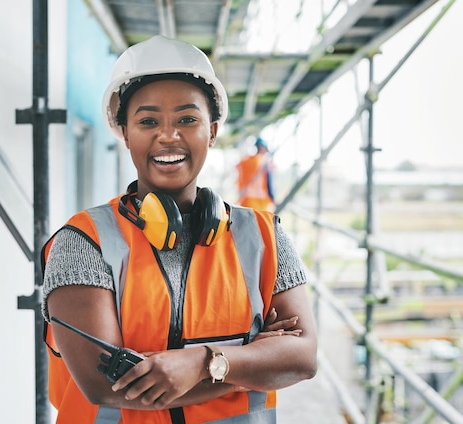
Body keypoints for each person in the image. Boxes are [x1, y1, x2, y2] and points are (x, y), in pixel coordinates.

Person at [41, 35, 317, 423]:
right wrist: (249, 357)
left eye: (187, 119)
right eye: (148, 120)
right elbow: (105, 385)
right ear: (124, 131)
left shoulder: (264, 236)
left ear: (213, 131)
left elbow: (303, 357)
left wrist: (201, 363)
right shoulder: (83, 242)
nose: (168, 135)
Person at [236, 136, 276, 212]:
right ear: (263, 148)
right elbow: (269, 183)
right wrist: (273, 198)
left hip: (245, 200)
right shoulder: (265, 163)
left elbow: (239, 179)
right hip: (261, 203)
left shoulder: (245, 161)